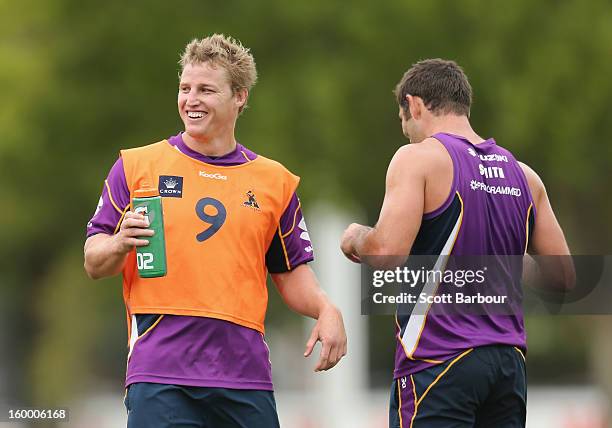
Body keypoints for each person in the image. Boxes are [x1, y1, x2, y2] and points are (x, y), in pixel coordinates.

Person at [84, 34, 347, 428]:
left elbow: (291, 274)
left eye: (206, 90)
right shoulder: (136, 167)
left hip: (245, 377)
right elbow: (93, 260)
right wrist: (119, 243)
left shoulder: (274, 182)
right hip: (160, 375)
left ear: (239, 97)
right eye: (185, 88)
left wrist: (326, 309)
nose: (191, 100)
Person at [340, 59, 574, 427]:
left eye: (405, 123)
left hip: (440, 360)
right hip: (507, 364)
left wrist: (356, 237)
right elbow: (563, 277)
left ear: (414, 104)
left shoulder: (418, 159)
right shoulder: (525, 176)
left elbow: (386, 252)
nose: (407, 134)